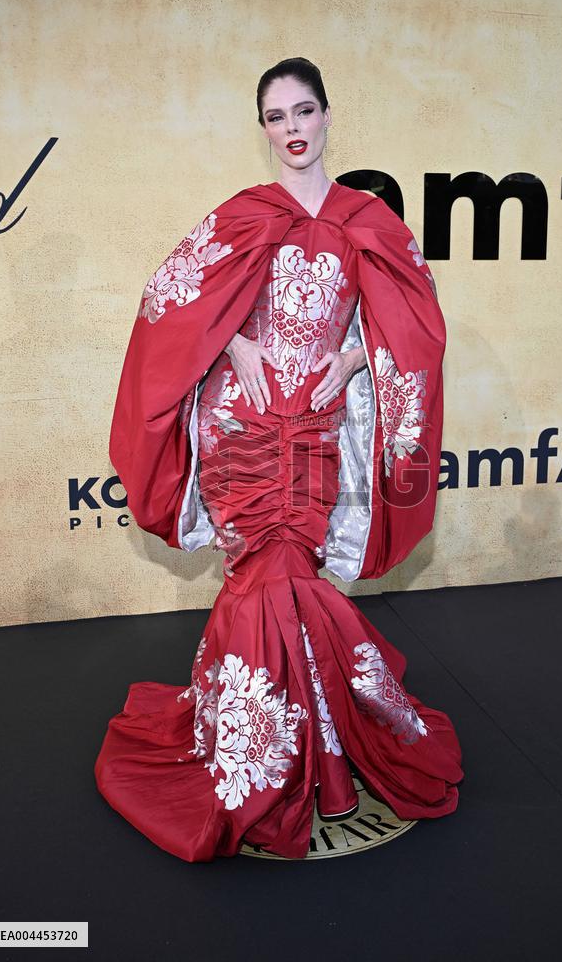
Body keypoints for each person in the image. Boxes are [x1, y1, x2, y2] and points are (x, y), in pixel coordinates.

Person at [94, 57, 464, 862]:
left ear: (328, 116)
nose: (291, 128)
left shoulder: (370, 220)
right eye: (275, 117)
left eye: (303, 111)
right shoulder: (242, 215)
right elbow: (170, 301)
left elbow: (416, 327)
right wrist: (233, 337)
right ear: (263, 129)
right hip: (243, 429)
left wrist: (358, 361)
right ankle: (270, 760)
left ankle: (296, 746)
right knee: (265, 580)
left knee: (296, 581)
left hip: (319, 432)